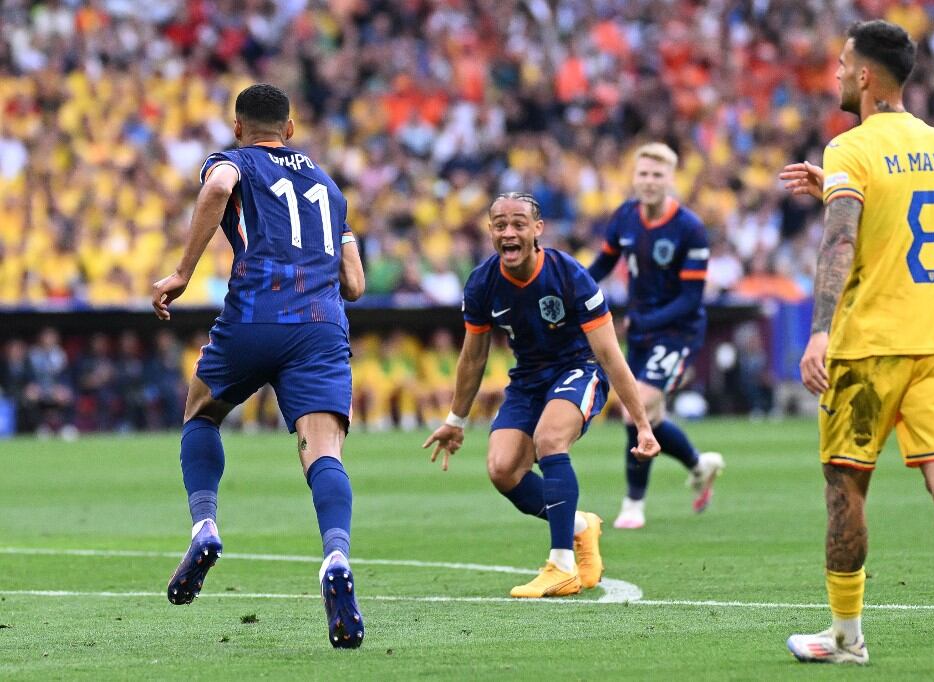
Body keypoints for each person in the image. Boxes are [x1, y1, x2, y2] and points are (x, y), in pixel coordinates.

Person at [779, 21, 934, 670]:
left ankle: (846, 638)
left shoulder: (851, 147)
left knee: (844, 490)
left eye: (844, 64)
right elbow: (899, 213)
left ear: (866, 76)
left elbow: (841, 240)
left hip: (869, 347)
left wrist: (819, 330)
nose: (838, 74)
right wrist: (838, 186)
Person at [151, 84, 367, 649]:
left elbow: (219, 186)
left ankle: (205, 525)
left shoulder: (233, 161)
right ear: (290, 129)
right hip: (320, 327)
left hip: (254, 315)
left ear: (238, 128)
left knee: (201, 413)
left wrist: (183, 272)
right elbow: (355, 284)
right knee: (324, 451)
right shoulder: (328, 186)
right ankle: (336, 556)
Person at [423, 192, 660, 598]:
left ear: (537, 230)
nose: (508, 233)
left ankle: (562, 565)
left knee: (549, 439)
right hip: (528, 379)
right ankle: (581, 526)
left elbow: (609, 354)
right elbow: (473, 357)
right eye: (500, 225)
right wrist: (455, 421)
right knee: (503, 470)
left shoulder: (569, 275)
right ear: (490, 231)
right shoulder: (482, 283)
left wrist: (642, 424)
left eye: (518, 224)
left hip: (579, 368)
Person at [587, 143, 724, 529]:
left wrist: (644, 322)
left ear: (670, 180)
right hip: (642, 331)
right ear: (634, 177)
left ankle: (633, 504)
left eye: (657, 175)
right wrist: (568, 285)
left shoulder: (689, 228)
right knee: (652, 416)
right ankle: (698, 464)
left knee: (637, 408)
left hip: (678, 332)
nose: (649, 181)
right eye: (643, 174)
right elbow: (603, 263)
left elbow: (691, 298)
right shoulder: (624, 217)